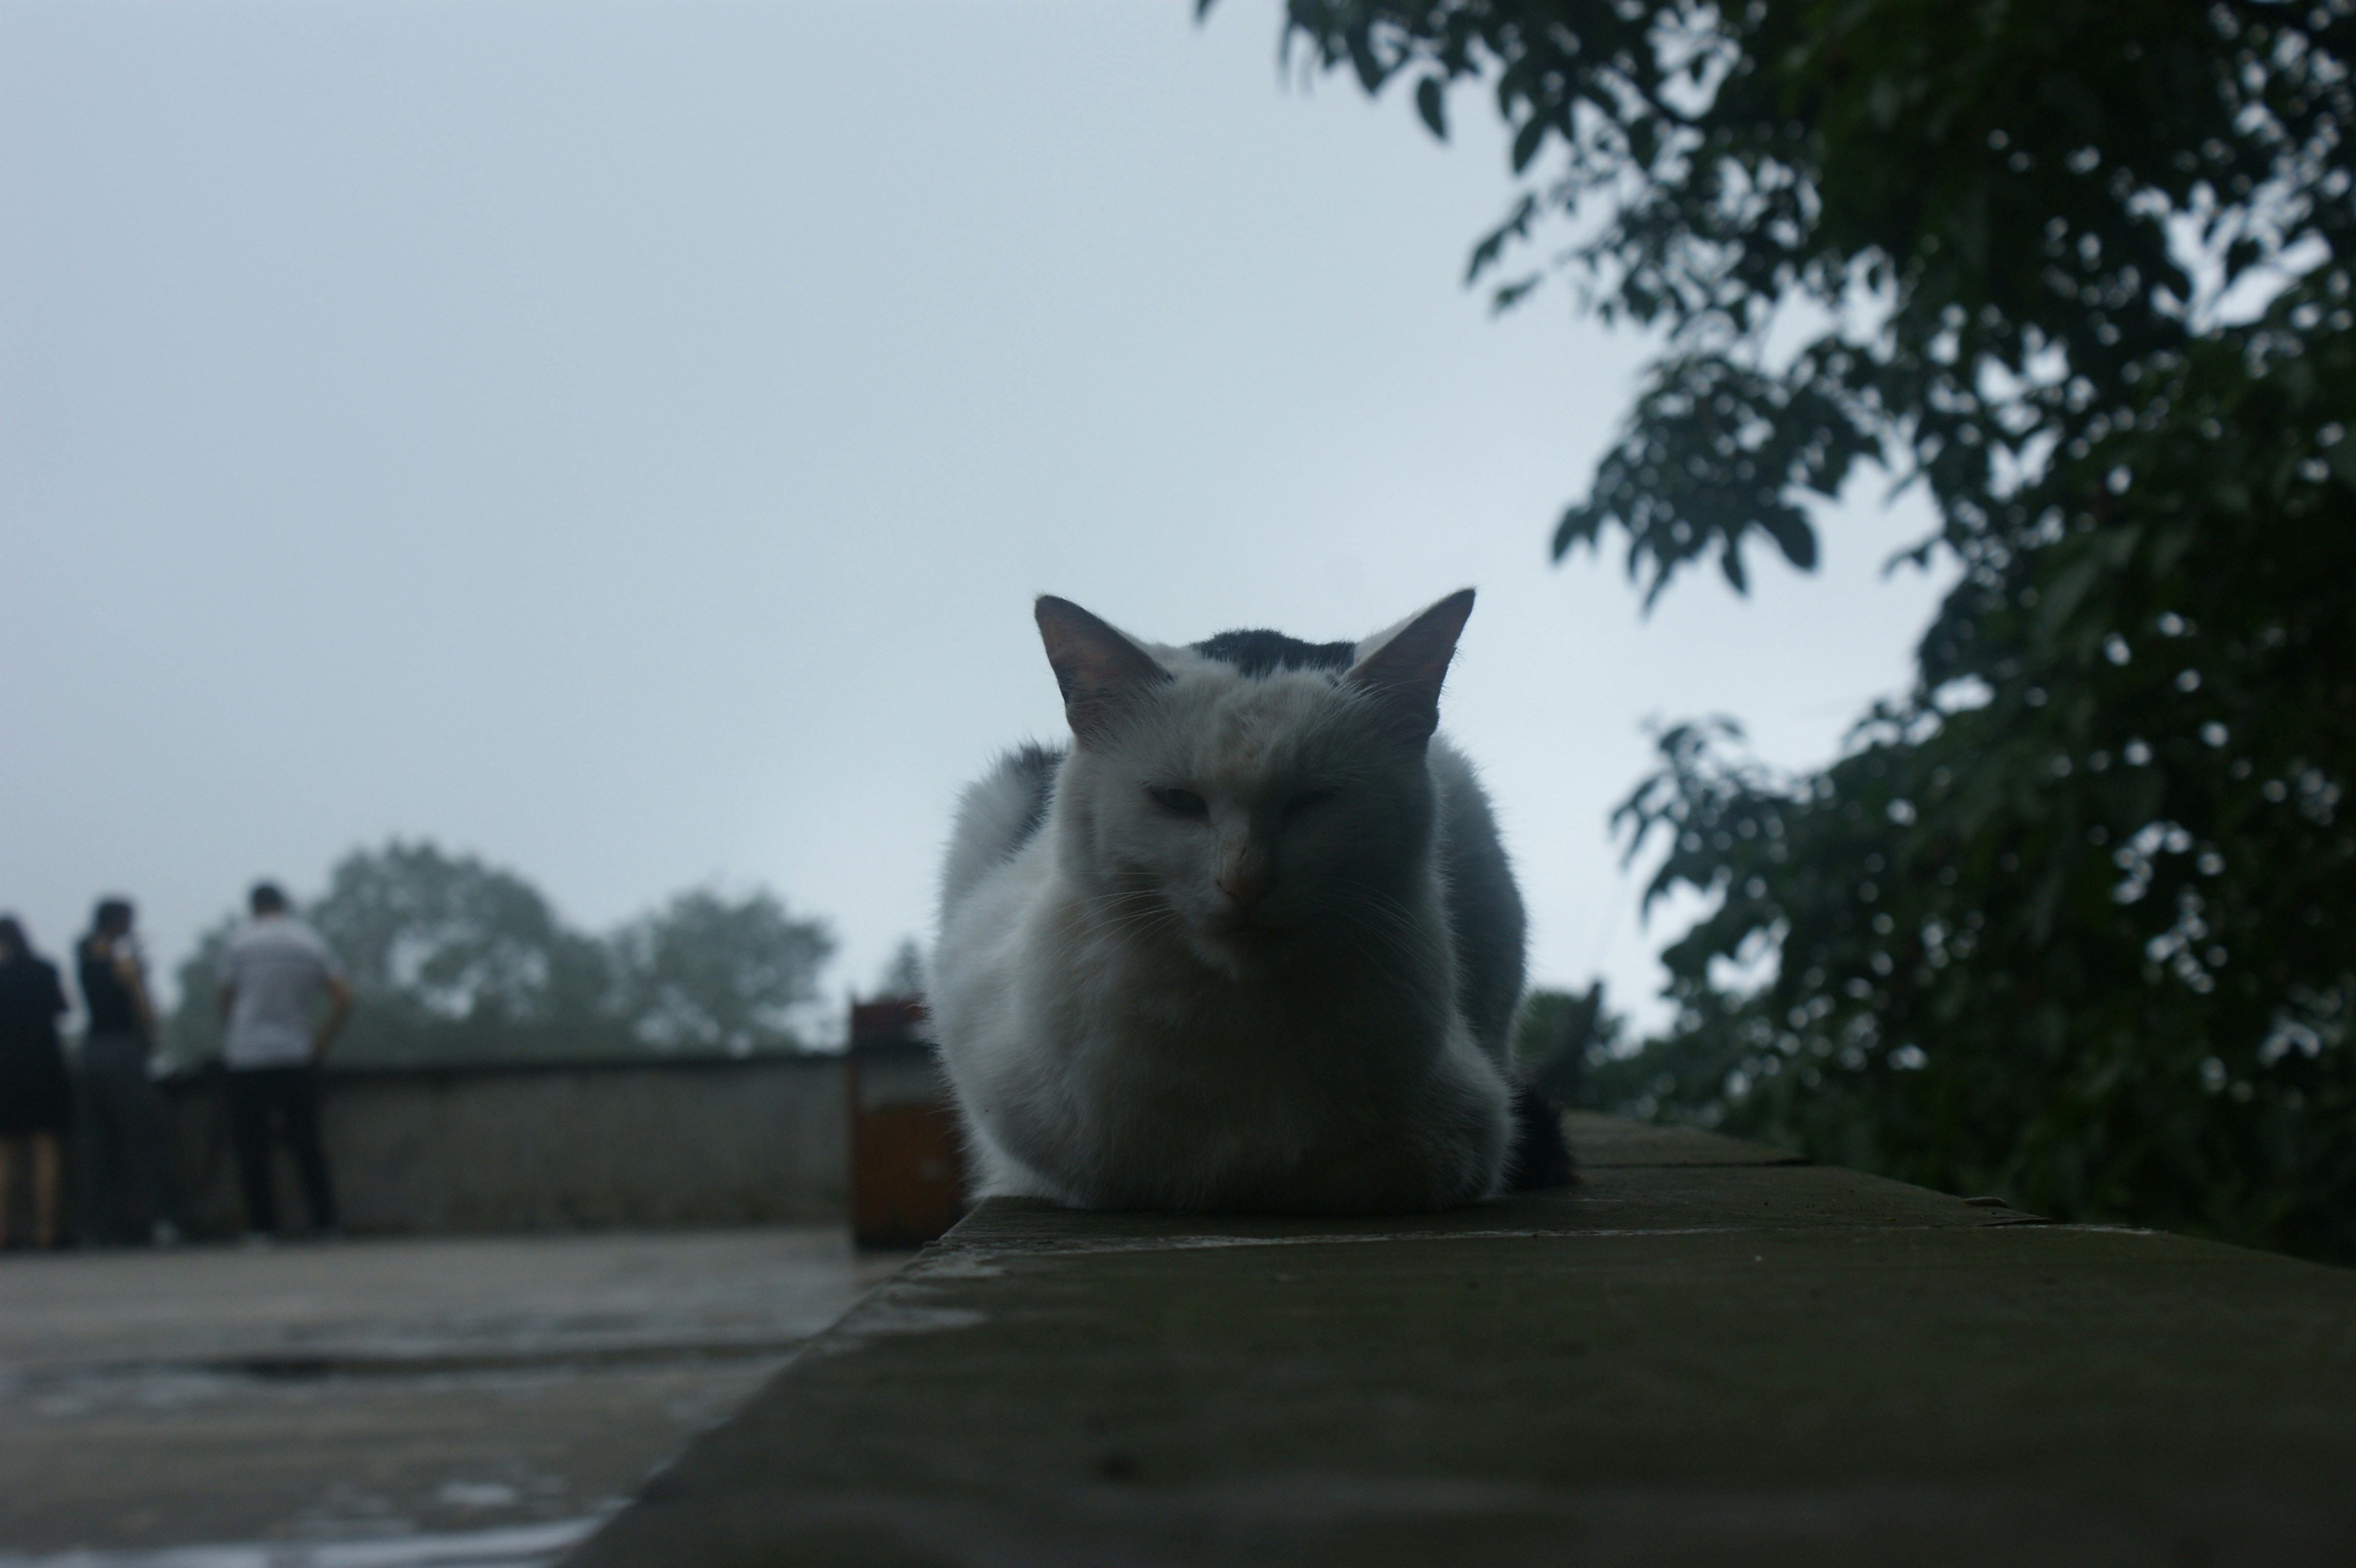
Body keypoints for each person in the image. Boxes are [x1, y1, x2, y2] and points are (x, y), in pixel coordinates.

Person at [218, 882, 352, 1241]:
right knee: (307, 1145)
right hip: (295, 1053)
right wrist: (319, 1044)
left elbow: (225, 1000)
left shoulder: (240, 943)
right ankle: (325, 1223)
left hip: (247, 1057)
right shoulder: (308, 942)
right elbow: (344, 997)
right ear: (284, 905)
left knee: (252, 1149)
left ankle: (262, 1227)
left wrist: (239, 1031)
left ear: (254, 907)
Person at [75, 898, 184, 1245]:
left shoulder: (85, 953)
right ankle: (162, 1219)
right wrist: (152, 1028)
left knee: (95, 1146)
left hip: (92, 1051)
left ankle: (98, 1227)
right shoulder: (118, 956)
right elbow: (138, 999)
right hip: (123, 1048)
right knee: (145, 1139)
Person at [0, 917, 74, 1250]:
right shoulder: (44, 970)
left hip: (4, 1068)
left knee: (6, 1155)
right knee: (47, 1150)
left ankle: (4, 1230)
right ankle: (46, 1230)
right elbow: (63, 1008)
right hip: (44, 1064)